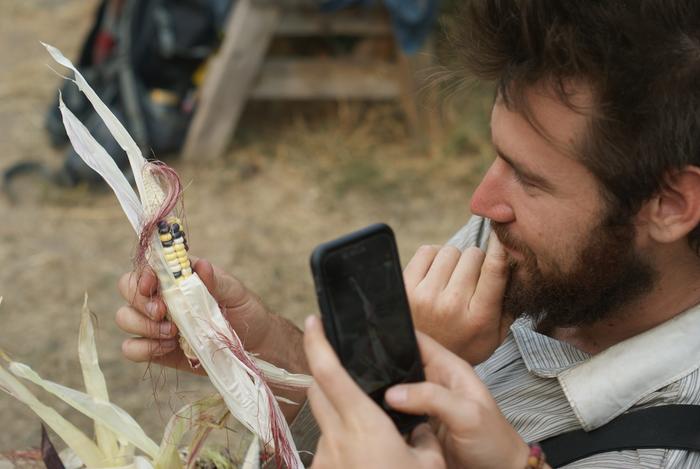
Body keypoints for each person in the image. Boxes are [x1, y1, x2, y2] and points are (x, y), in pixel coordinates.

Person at [115, 0, 700, 467]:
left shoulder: (660, 449)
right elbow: (329, 431)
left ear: (671, 205)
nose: (482, 203)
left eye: (530, 178)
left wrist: (402, 381)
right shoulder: (527, 245)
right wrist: (267, 354)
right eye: (497, 155)